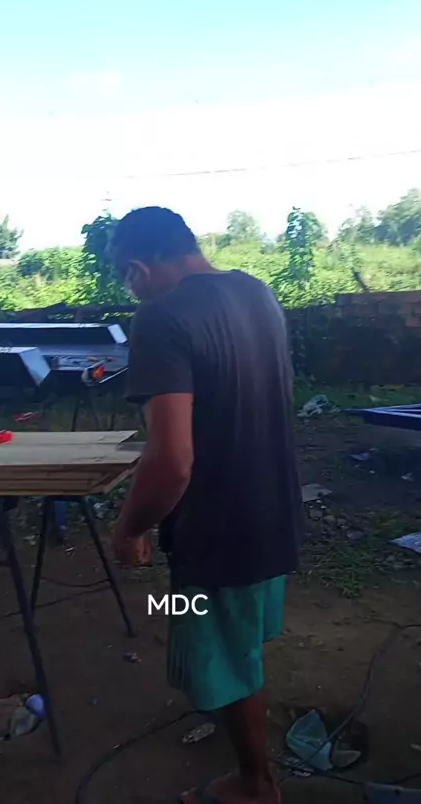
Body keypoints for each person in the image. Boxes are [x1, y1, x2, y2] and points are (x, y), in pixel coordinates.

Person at [111, 207, 303, 804]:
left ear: (139, 268)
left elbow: (172, 461)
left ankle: (255, 782)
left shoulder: (160, 317)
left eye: (127, 279)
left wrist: (131, 529)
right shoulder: (256, 292)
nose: (132, 291)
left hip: (219, 532)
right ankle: (234, 715)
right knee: (238, 637)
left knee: (222, 648)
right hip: (273, 510)